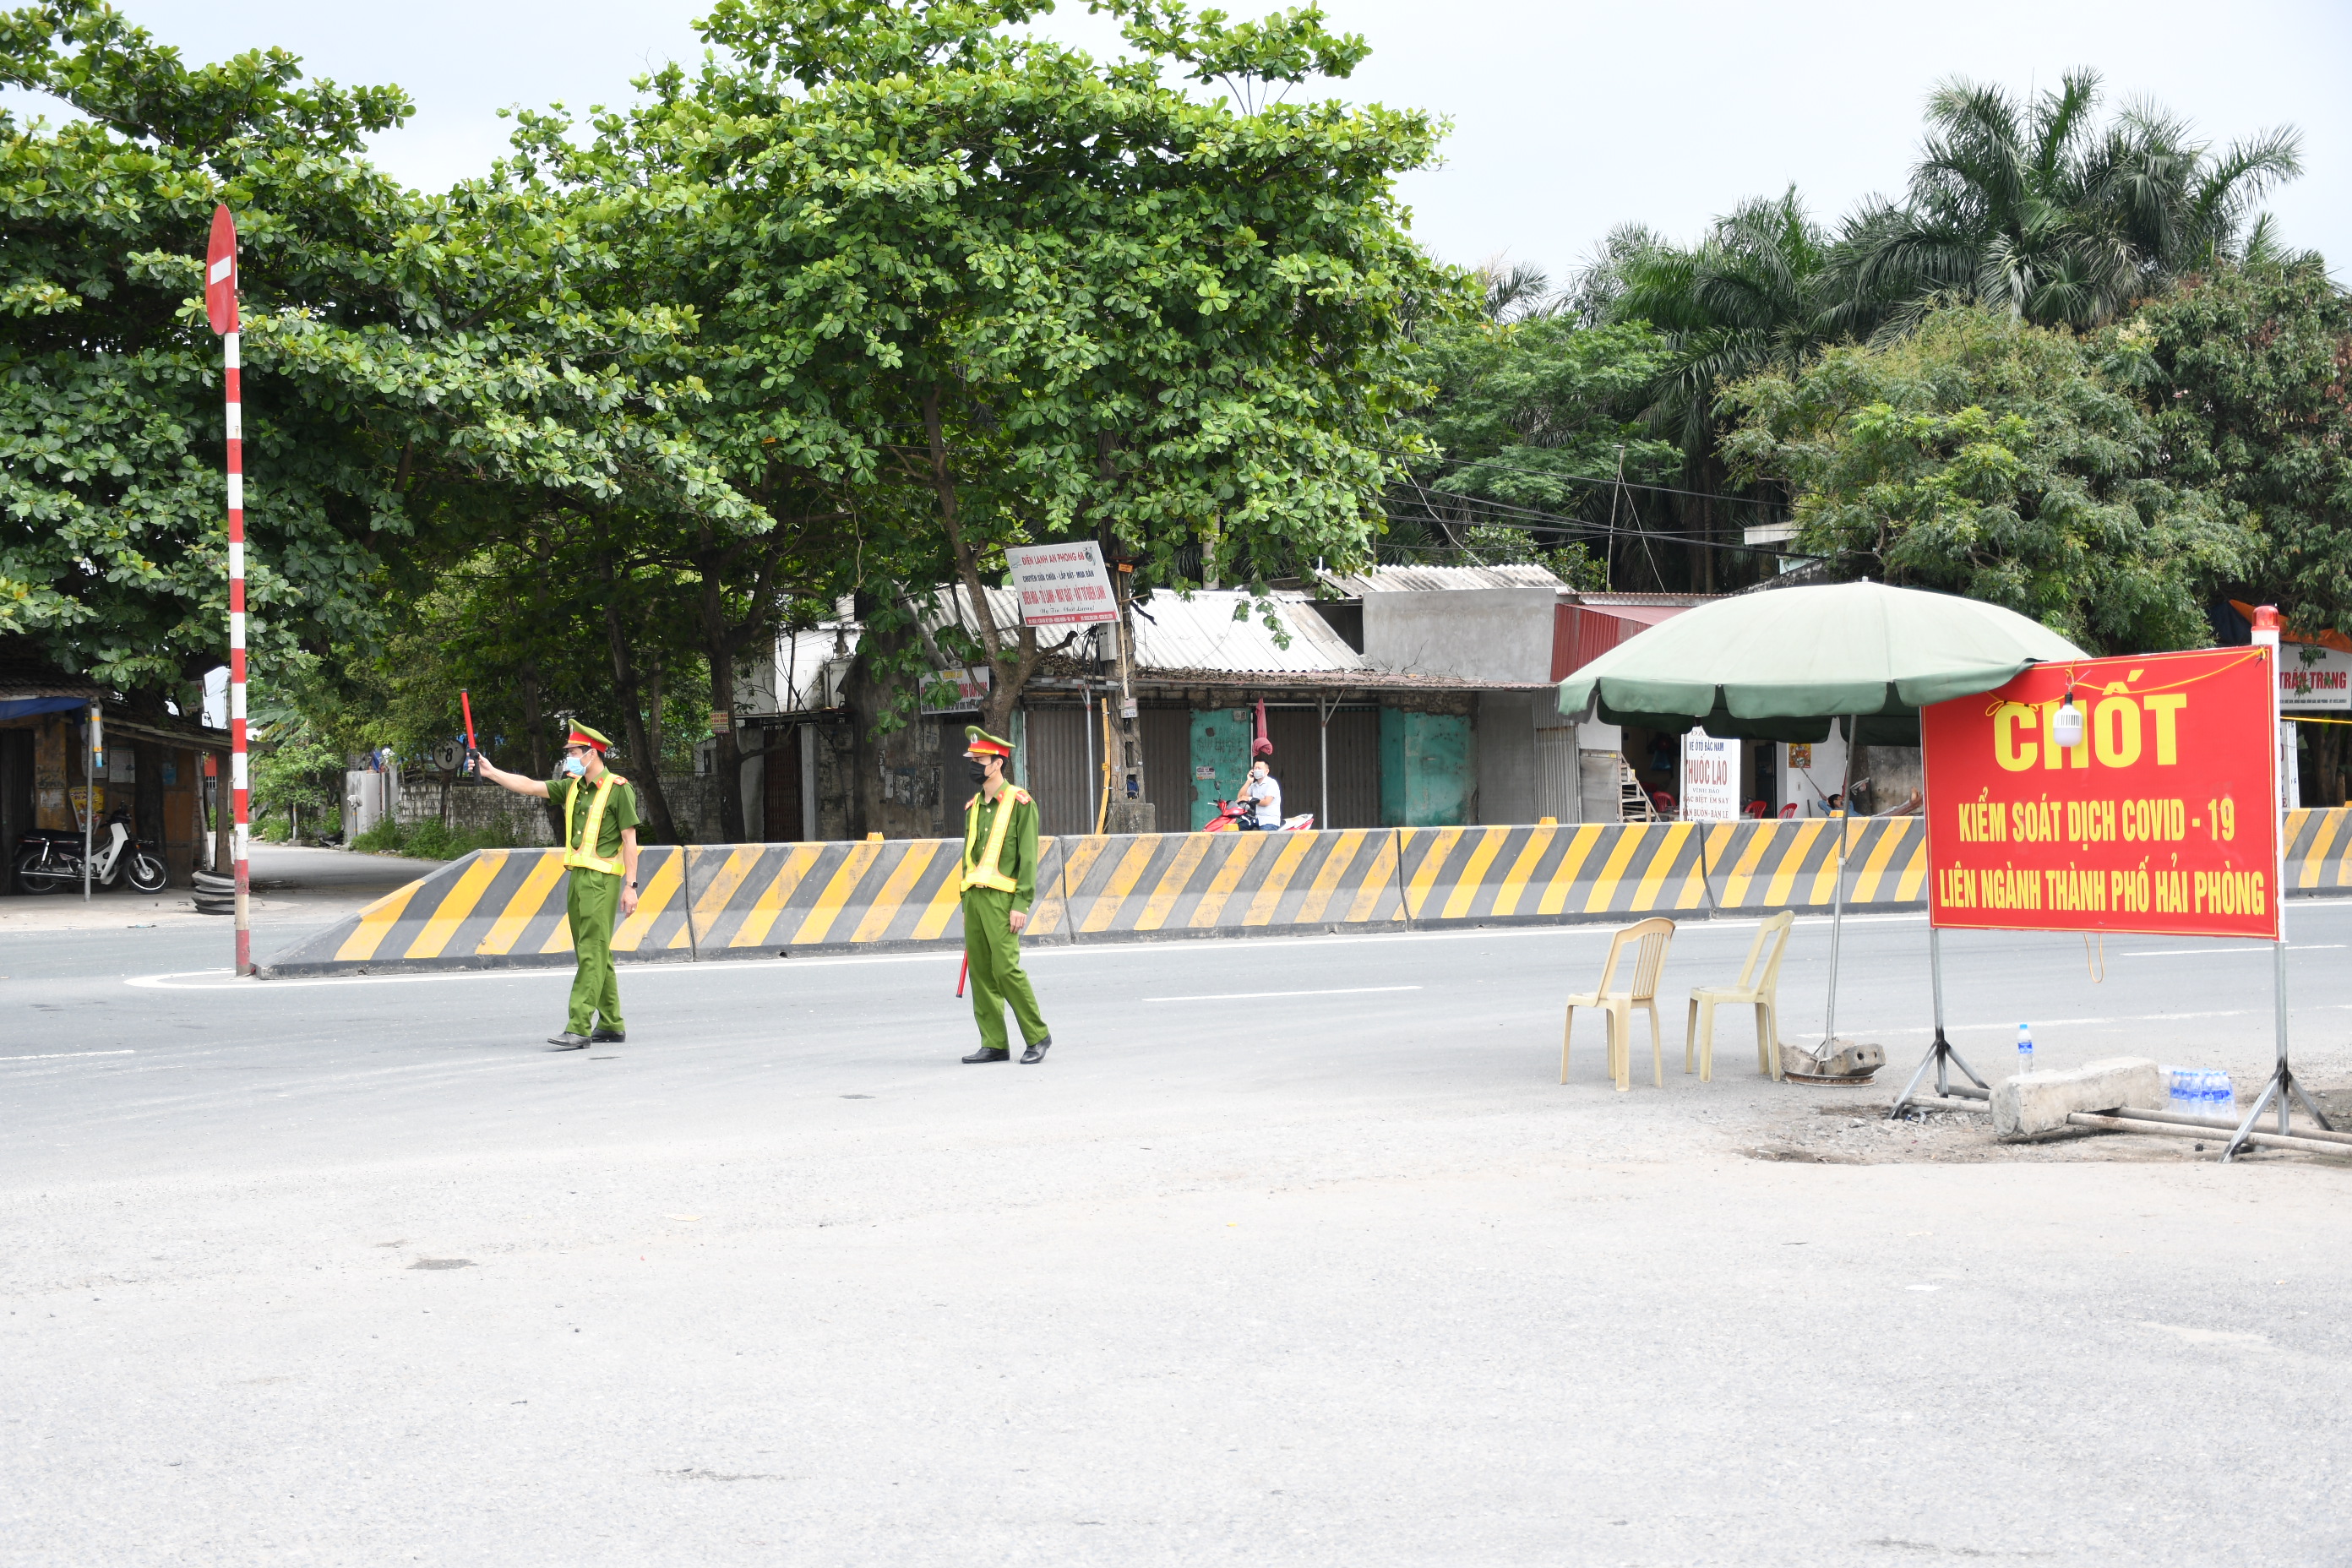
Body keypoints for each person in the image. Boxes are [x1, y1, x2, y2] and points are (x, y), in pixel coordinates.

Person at [475, 724, 640, 1049]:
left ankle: (579, 1026)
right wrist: (492, 772)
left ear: (592, 754)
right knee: (593, 952)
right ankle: (611, 1023)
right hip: (577, 879)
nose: (570, 758)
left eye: (574, 753)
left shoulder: (619, 788)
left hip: (602, 881)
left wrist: (631, 886)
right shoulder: (574, 787)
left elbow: (629, 839)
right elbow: (530, 786)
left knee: (592, 952)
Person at [958, 725, 1052, 1064]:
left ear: (997, 763)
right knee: (981, 973)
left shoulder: (1020, 802)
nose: (973, 765)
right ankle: (994, 1042)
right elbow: (968, 858)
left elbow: (1029, 857)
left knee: (1006, 970)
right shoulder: (973, 807)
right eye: (972, 758)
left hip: (1003, 900)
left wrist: (1022, 903)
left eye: (979, 759)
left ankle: (1038, 1035)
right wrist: (965, 902)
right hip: (975, 899)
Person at [1240, 760, 1282, 830]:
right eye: (1255, 768)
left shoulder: (1271, 783)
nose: (1256, 770)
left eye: (1259, 768)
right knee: (1236, 829)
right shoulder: (1254, 785)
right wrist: (1248, 781)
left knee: (1261, 838)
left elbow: (1266, 802)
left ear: (1267, 771)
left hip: (1269, 820)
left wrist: (1250, 799)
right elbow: (1241, 797)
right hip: (1256, 818)